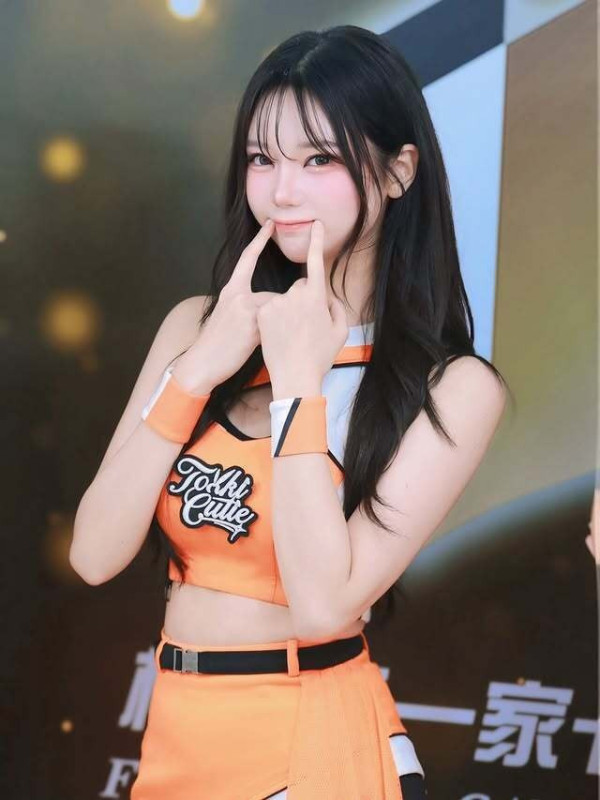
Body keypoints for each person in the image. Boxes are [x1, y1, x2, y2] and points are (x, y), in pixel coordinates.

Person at [70, 24, 510, 799]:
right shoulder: (196, 327)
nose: (281, 191)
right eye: (261, 158)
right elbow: (94, 554)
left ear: (399, 171)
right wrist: (197, 370)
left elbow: (322, 606)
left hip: (314, 743)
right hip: (178, 737)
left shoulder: (454, 388)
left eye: (319, 160)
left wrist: (301, 384)